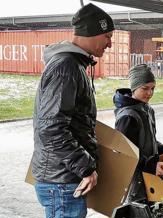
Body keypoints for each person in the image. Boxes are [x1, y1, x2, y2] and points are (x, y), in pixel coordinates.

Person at [32, 3, 114, 218]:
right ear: (91, 32)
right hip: (62, 181)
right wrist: (85, 168)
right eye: (107, 36)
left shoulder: (73, 65)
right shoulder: (65, 67)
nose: (110, 44)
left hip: (64, 178)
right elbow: (51, 128)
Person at [113, 64, 163, 203]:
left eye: (153, 88)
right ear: (134, 88)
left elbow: (149, 140)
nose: (150, 93)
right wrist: (150, 165)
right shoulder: (128, 116)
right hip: (135, 181)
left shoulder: (147, 109)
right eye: (145, 88)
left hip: (149, 176)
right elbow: (124, 153)